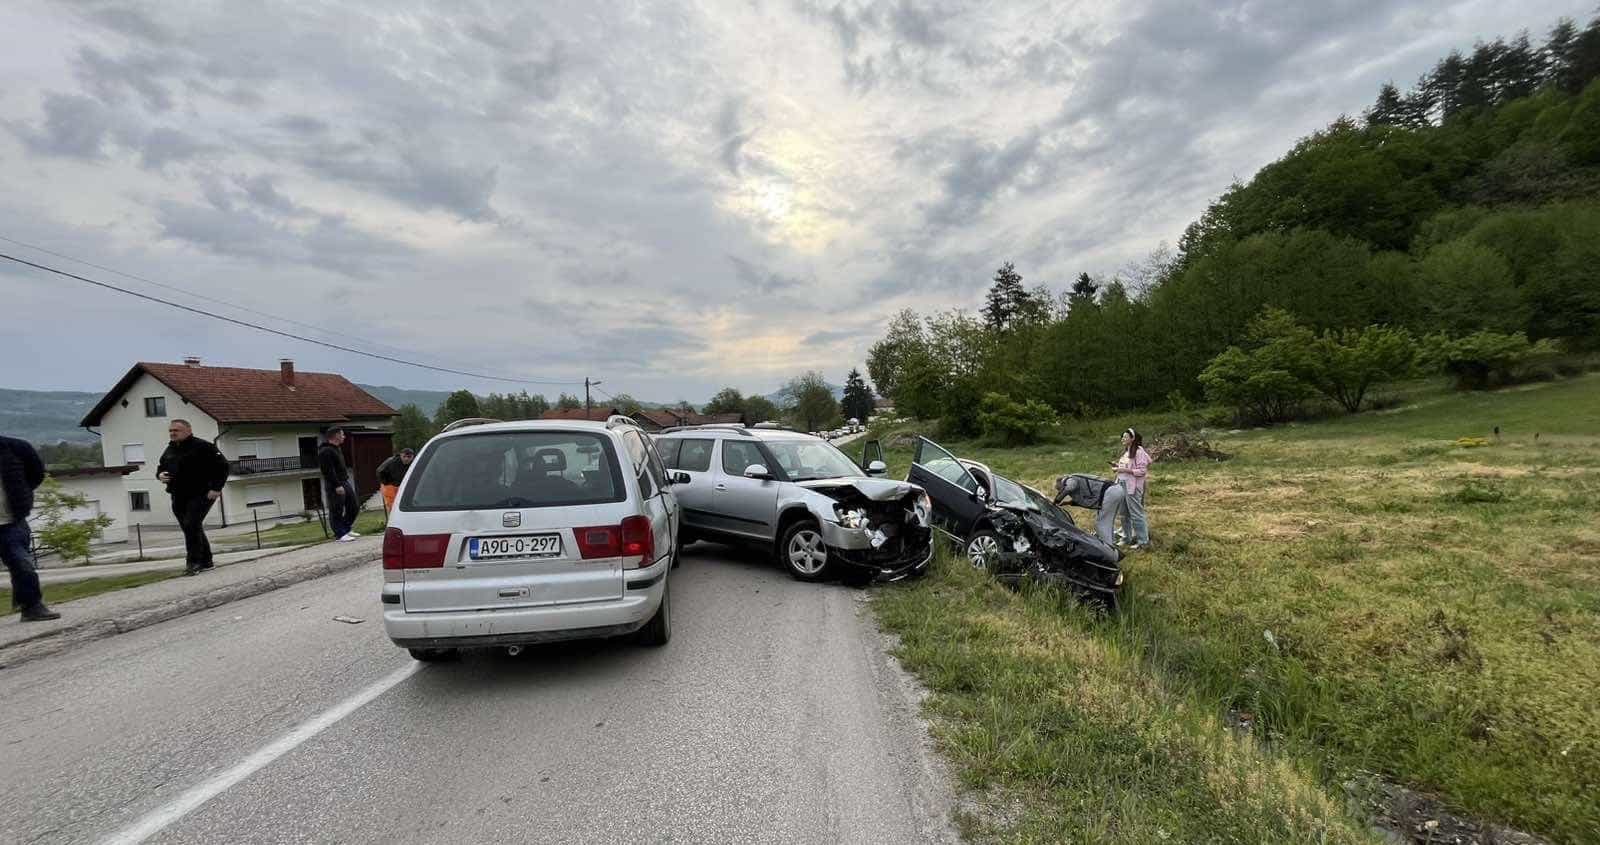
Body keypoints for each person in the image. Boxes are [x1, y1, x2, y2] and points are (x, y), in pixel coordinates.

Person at [156, 420, 230, 576]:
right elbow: (161, 467)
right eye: (170, 430)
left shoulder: (203, 446)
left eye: (177, 430)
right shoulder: (170, 449)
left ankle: (193, 563)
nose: (173, 433)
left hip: (202, 493)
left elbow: (223, 466)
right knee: (190, 527)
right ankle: (207, 561)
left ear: (188, 430)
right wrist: (160, 475)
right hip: (178, 494)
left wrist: (216, 488)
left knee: (191, 524)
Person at [1, 435, 59, 621]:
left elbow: (36, 473)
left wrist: (21, 494)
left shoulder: (15, 448)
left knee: (23, 565)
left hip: (11, 521)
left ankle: (32, 608)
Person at [1052, 473, 1128, 547]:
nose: (1060, 491)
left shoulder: (1068, 479)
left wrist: (1057, 500)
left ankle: (1108, 547)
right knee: (1107, 521)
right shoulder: (1073, 481)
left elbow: (1071, 487)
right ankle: (1111, 543)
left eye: (1059, 490)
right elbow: (1084, 499)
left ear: (1061, 484)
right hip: (1115, 490)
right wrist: (1068, 503)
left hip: (1110, 493)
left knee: (1102, 523)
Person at [1113, 427, 1152, 550]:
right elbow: (1126, 466)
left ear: (1133, 438)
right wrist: (1118, 466)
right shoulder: (1127, 451)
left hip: (1133, 487)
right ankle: (1126, 538)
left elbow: (1142, 471)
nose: (1122, 439)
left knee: (1136, 514)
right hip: (1122, 484)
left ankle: (1143, 542)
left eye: (1125, 437)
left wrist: (1122, 469)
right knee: (1123, 513)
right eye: (1122, 437)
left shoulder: (1139, 452)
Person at [319, 429, 361, 542]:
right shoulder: (325, 451)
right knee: (336, 509)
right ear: (336, 436)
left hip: (344, 481)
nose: (344, 437)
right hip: (335, 483)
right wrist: (337, 485)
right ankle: (340, 533)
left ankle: (346, 528)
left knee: (354, 507)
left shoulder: (337, 449)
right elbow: (328, 471)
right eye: (342, 435)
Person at [376, 448, 414, 513]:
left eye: (409, 457)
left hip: (401, 486)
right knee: (392, 506)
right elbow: (379, 471)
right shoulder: (392, 461)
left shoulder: (414, 463)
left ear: (413, 457)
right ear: (400, 455)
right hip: (389, 486)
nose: (406, 459)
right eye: (404, 456)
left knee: (404, 504)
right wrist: (386, 482)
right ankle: (393, 519)